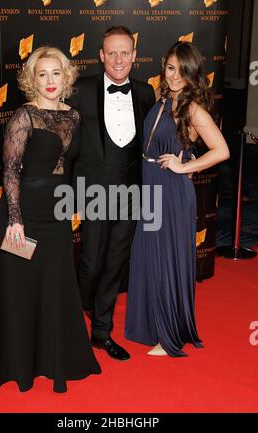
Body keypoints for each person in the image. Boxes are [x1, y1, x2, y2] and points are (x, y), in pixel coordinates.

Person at [0, 46, 101, 392]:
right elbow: (11, 172)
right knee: (21, 287)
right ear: (32, 79)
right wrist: (15, 219)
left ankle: (54, 357)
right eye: (42, 74)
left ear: (66, 78)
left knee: (55, 285)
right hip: (24, 213)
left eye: (56, 73)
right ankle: (18, 363)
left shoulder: (73, 116)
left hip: (56, 214)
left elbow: (69, 166)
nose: (49, 80)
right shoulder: (23, 115)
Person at [125, 41, 230, 357]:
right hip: (151, 187)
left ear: (192, 74)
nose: (174, 77)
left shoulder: (192, 108)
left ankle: (169, 335)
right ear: (163, 65)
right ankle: (150, 326)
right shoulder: (162, 99)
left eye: (182, 72)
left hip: (171, 191)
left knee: (167, 262)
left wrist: (186, 165)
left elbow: (221, 150)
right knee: (148, 258)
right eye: (170, 68)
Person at [71, 26, 155, 360]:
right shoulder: (80, 90)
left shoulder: (146, 93)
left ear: (134, 56)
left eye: (125, 52)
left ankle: (102, 331)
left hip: (132, 193)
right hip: (92, 193)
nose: (118, 59)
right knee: (91, 263)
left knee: (116, 263)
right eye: (112, 53)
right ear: (101, 55)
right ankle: (84, 307)